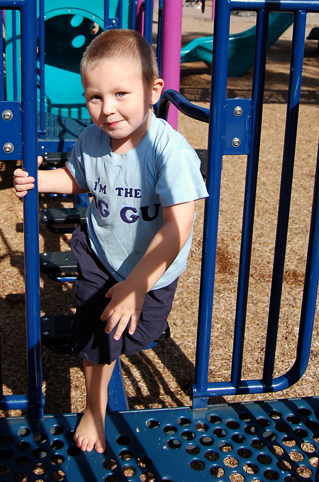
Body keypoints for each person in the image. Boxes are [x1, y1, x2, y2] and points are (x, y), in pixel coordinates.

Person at [13, 29, 208, 454]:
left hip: (152, 269)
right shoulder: (92, 140)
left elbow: (178, 227)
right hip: (100, 254)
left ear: (153, 90)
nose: (107, 109)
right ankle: (94, 407)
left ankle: (115, 336)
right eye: (95, 97)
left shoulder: (169, 153)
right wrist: (39, 180)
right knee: (95, 335)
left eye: (121, 93)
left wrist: (137, 285)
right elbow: (77, 179)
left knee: (136, 333)